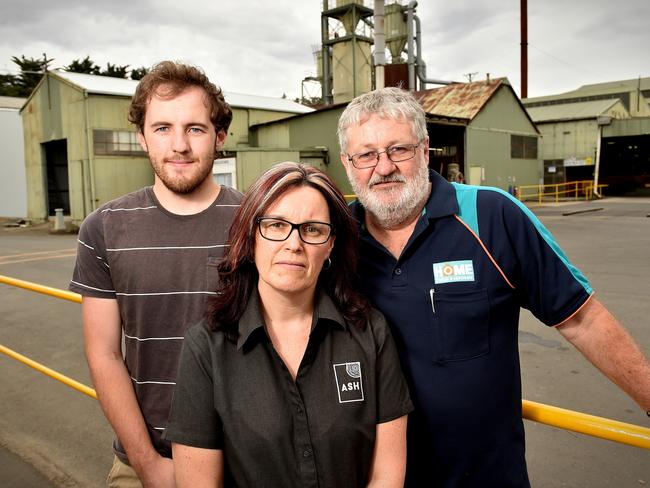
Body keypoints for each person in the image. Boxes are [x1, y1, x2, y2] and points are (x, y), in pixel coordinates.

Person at [337, 87, 650, 487]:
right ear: (349, 164)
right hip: (376, 476)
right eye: (366, 154)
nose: (383, 168)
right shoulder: (334, 240)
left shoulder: (492, 216)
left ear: (425, 149)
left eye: (399, 149)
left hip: (486, 477)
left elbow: (582, 319)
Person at [163, 162, 412, 488]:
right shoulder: (206, 347)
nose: (294, 243)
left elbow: (387, 477)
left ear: (331, 244)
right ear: (250, 237)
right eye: (277, 225)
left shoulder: (370, 333)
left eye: (312, 229)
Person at [69, 61, 242, 487]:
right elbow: (104, 354)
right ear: (142, 137)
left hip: (244, 457)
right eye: (162, 128)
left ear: (219, 137)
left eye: (195, 129)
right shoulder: (103, 228)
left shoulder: (256, 222)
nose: (179, 145)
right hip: (145, 458)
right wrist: (146, 463)